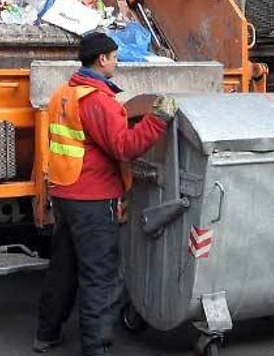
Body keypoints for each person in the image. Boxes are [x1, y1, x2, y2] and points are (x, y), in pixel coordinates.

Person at [34, 31, 175, 356]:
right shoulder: (97, 101)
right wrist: (158, 119)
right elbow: (125, 147)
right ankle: (96, 347)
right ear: (101, 60)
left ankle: (46, 334)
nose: (116, 62)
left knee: (64, 268)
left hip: (66, 193)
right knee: (100, 277)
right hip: (94, 200)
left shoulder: (64, 94)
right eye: (114, 57)